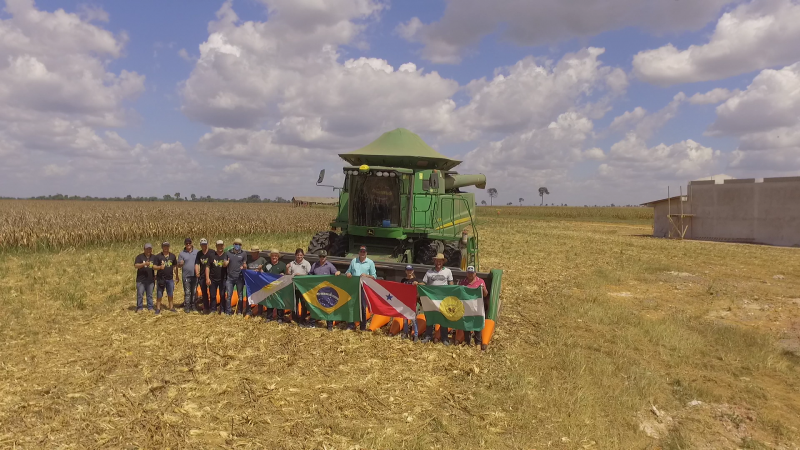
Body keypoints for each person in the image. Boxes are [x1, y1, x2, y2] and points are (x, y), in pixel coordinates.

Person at [420, 253, 453, 344]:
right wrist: (417, 284)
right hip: (431, 299)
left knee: (443, 318)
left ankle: (444, 338)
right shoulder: (429, 272)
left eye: (440, 261)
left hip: (443, 300)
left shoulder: (448, 271)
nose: (438, 262)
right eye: (437, 261)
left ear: (443, 262)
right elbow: (424, 283)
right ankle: (428, 336)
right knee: (430, 317)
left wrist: (453, 293)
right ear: (434, 261)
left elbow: (451, 285)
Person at [345, 245, 376, 331]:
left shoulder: (370, 263)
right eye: (361, 251)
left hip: (364, 287)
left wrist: (366, 275)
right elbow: (348, 271)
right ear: (358, 252)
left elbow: (374, 277)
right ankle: (350, 324)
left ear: (366, 253)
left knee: (362, 306)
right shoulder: (354, 261)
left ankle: (363, 326)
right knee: (351, 305)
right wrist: (348, 274)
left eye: (364, 252)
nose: (362, 253)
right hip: (353, 286)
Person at [309, 250, 341, 331]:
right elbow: (310, 275)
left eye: (323, 257)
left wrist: (338, 272)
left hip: (326, 291)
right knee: (314, 306)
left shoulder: (330, 266)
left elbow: (336, 273)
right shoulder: (314, 265)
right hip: (316, 290)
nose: (322, 258)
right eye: (320, 256)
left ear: (326, 257)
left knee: (328, 307)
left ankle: (329, 325)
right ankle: (312, 323)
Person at [458, 265, 488, 346]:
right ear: (466, 273)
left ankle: (478, 342)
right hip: (466, 307)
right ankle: (467, 341)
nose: (470, 275)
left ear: (475, 273)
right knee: (466, 323)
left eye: (472, 273)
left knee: (477, 323)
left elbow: (485, 295)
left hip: (477, 306)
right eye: (469, 273)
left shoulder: (481, 281)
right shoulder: (463, 282)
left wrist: (483, 289)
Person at [287, 248, 313, 327]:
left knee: (303, 304)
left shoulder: (306, 264)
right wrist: (287, 268)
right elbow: (288, 275)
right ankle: (295, 318)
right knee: (294, 303)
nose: (299, 256)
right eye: (298, 255)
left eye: (301, 255)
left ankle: (302, 319)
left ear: (303, 255)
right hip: (294, 287)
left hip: (303, 288)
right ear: (295, 255)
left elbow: (310, 275)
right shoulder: (292, 263)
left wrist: (300, 275)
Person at [153, 241, 179, 314]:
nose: (166, 248)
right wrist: (159, 267)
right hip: (161, 278)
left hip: (170, 279)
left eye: (167, 246)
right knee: (159, 294)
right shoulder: (158, 256)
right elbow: (154, 267)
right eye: (164, 246)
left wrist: (177, 276)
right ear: (162, 247)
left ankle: (171, 307)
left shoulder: (172, 256)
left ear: (169, 247)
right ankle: (158, 308)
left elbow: (175, 267)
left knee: (170, 293)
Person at [225, 238, 248, 316]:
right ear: (233, 244)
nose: (237, 246)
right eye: (236, 244)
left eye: (239, 244)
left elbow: (245, 265)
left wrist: (244, 266)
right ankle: (228, 311)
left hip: (239, 278)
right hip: (230, 278)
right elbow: (224, 264)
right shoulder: (228, 253)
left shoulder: (243, 254)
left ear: (241, 246)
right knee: (229, 295)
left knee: (240, 296)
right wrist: (226, 263)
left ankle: (239, 311)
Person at [263, 249, 288, 323]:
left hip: (279, 287)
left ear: (278, 257)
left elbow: (287, 276)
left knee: (279, 301)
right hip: (269, 286)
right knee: (269, 302)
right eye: (273, 256)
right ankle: (269, 317)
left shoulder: (283, 265)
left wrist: (284, 274)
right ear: (270, 257)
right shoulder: (267, 264)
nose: (274, 257)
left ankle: (280, 317)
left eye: (276, 256)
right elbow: (263, 274)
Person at [178, 237, 199, 313]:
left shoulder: (197, 252)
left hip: (195, 275)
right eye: (187, 243)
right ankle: (187, 306)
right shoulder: (182, 253)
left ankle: (193, 306)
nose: (188, 245)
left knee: (193, 292)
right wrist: (180, 264)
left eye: (189, 243)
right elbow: (178, 265)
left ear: (191, 243)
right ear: (185, 244)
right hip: (186, 276)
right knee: (187, 292)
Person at [206, 240, 227, 314]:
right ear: (216, 246)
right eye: (218, 245)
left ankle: (222, 310)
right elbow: (207, 267)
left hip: (223, 279)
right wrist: (207, 278)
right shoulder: (212, 255)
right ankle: (213, 310)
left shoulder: (226, 255)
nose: (220, 247)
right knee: (212, 295)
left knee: (222, 295)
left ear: (223, 246)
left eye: (221, 245)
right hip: (213, 279)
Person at [134, 243, 156, 312]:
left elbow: (157, 266)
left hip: (150, 279)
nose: (148, 250)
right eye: (147, 249)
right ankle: (139, 307)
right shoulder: (140, 257)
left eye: (150, 249)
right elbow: (136, 265)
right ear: (144, 249)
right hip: (141, 280)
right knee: (140, 294)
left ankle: (150, 307)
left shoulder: (154, 257)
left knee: (150, 294)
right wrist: (144, 264)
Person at [400, 265, 420, 341]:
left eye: (410, 270)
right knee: (405, 319)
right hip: (404, 302)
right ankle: (405, 333)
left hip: (412, 302)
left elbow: (418, 292)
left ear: (413, 271)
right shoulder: (403, 280)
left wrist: (416, 284)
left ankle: (416, 334)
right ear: (405, 271)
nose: (409, 272)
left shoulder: (415, 280)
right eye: (408, 270)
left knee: (413, 319)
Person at [246, 245, 267, 315]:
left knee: (260, 297)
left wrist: (261, 270)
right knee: (249, 296)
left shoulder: (263, 260)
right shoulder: (248, 260)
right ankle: (248, 311)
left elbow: (268, 271)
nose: (254, 254)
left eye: (255, 252)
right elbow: (245, 269)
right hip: (250, 282)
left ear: (258, 253)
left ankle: (259, 312)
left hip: (259, 282)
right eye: (253, 252)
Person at [194, 238, 212, 313]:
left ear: (207, 244)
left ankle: (212, 308)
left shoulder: (212, 252)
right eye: (202, 244)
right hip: (202, 276)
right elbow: (197, 263)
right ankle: (206, 308)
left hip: (211, 276)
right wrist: (197, 272)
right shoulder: (199, 254)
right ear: (200, 245)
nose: (203, 246)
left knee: (212, 292)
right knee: (204, 293)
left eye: (205, 244)